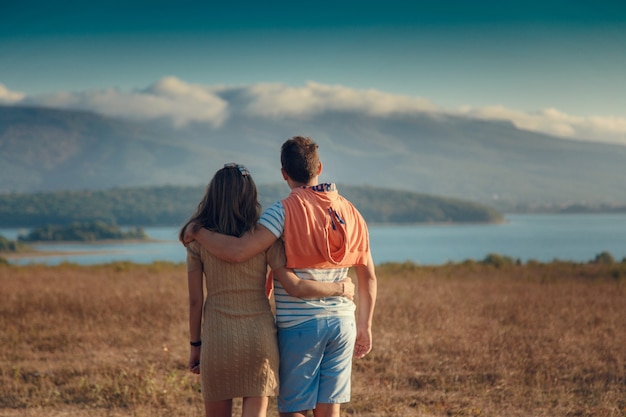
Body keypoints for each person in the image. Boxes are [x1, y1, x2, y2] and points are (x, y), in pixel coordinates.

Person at [183, 138, 378, 417]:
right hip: (342, 323)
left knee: (293, 410)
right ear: (319, 166)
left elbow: (237, 253)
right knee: (329, 409)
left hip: (296, 324)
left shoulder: (281, 213)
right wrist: (364, 324)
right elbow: (368, 276)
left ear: (284, 173)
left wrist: (197, 231)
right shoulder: (352, 213)